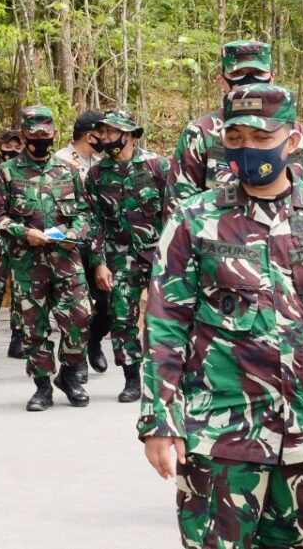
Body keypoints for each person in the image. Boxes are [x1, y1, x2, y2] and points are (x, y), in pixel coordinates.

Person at [139, 84, 303, 549]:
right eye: (236, 138)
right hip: (220, 436)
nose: (248, 148)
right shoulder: (194, 218)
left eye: (263, 138)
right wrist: (159, 419)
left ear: (293, 139)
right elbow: (165, 324)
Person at [0, 105, 93, 411]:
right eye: (33, 136)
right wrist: (24, 232)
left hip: (66, 260)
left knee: (80, 319)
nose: (40, 141)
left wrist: (73, 232)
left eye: (45, 136)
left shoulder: (68, 170)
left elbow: (85, 213)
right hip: (27, 263)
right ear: (23, 136)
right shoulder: (7, 172)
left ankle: (69, 375)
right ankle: (42, 387)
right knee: (33, 329)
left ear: (54, 134)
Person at [166, 39, 303, 212]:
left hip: (287, 225)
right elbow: (178, 208)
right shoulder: (200, 132)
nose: (249, 81)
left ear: (272, 79)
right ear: (222, 82)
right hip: (217, 227)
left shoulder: (293, 131)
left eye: (258, 73)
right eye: (238, 74)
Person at [85, 109, 169, 403]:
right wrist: (99, 263)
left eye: (111, 131)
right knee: (122, 318)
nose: (105, 137)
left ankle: (165, 377)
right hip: (118, 256)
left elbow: (174, 212)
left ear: (130, 134)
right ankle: (132, 379)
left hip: (159, 254)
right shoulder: (96, 174)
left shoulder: (157, 166)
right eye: (103, 131)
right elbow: (93, 222)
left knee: (167, 317)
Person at [56, 109, 111, 382]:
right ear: (91, 136)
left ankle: (94, 341)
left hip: (101, 243)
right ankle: (74, 362)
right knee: (75, 306)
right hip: (71, 244)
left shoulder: (105, 162)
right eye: (103, 133)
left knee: (107, 305)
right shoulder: (59, 162)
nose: (107, 138)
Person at [0, 129, 28, 359]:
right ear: (0, 148)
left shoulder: (26, 174)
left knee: (21, 293)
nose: (12, 151)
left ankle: (17, 339)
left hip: (21, 241)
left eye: (17, 146)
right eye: (8, 146)